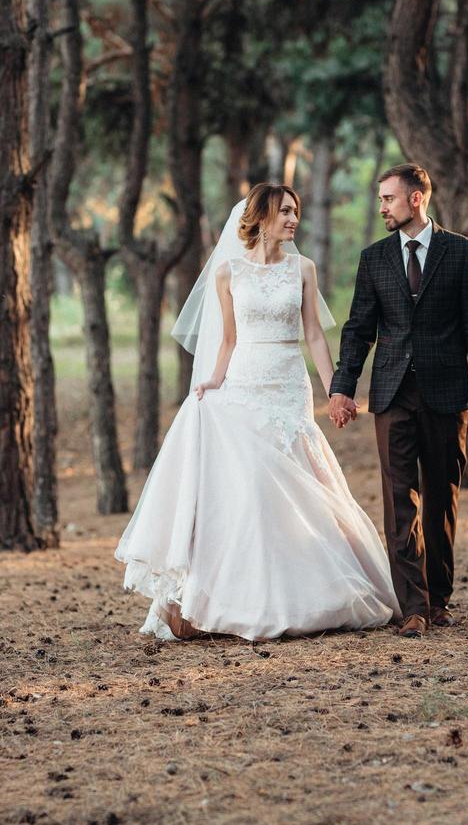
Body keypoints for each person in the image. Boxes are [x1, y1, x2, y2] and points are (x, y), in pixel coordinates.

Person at [115, 183, 399, 641]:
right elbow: (228, 340)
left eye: (296, 212)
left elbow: (313, 334)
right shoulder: (228, 273)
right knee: (248, 488)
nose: (293, 220)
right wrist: (212, 379)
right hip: (244, 383)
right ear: (262, 216)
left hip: (288, 385)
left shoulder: (303, 269)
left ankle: (313, 591)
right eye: (285, 211)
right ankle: (238, 599)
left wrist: (335, 390)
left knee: (303, 481)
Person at [327, 163, 468, 638]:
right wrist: (343, 386)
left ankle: (439, 597)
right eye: (381, 199)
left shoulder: (462, 252)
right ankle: (414, 607)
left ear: (416, 199)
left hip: (449, 397)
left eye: (388, 198)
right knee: (397, 497)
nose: (382, 206)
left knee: (441, 500)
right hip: (391, 395)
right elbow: (358, 330)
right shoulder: (374, 259)